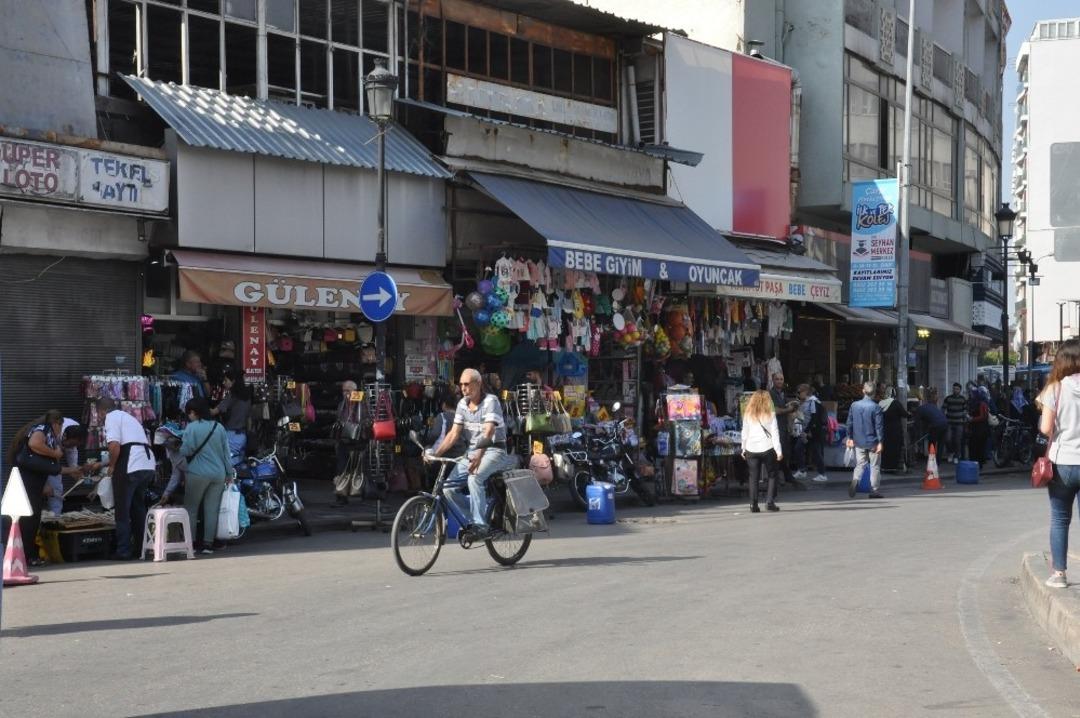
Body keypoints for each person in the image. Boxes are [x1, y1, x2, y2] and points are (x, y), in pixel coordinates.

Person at [427, 368, 515, 539]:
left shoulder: (491, 401)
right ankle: (478, 515)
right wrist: (436, 455)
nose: (463, 388)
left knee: (474, 478)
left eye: (467, 384)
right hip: (473, 451)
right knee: (448, 488)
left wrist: (479, 456)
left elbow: (489, 432)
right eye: (461, 384)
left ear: (478, 384)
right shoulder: (462, 404)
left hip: (494, 450)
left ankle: (480, 525)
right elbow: (453, 434)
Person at [1035, 339, 1080, 589]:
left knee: (1060, 519)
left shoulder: (1055, 389)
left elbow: (1045, 428)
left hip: (1063, 463)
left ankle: (1059, 574)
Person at [97, 398, 156, 560]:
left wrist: (111, 467)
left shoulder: (111, 418)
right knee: (138, 508)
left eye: (99, 414)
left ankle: (123, 550)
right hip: (146, 463)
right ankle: (142, 548)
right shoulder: (128, 417)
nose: (99, 417)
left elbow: (114, 446)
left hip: (131, 464)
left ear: (102, 411)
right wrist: (103, 463)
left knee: (122, 510)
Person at [5, 410, 65, 566]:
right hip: (28, 483)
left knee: (29, 519)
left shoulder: (41, 429)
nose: (60, 431)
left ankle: (24, 555)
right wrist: (55, 453)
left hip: (31, 482)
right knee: (29, 520)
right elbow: (34, 444)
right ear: (56, 423)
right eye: (61, 426)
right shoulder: (43, 429)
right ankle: (26, 556)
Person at [179, 398, 233, 554]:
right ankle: (208, 544)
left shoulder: (191, 428)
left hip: (198, 473)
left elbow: (186, 450)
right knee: (212, 509)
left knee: (191, 509)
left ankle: (191, 544)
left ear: (193, 412)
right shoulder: (219, 427)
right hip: (218, 474)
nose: (189, 416)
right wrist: (229, 473)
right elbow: (226, 453)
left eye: (189, 413)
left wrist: (176, 445)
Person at [741, 390, 783, 512]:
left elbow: (744, 432)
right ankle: (769, 502)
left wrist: (743, 448)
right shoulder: (771, 413)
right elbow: (775, 433)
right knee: (772, 475)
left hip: (751, 448)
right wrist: (779, 451)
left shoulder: (748, 414)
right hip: (768, 447)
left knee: (753, 476)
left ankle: (753, 504)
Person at [44, 421, 97, 515]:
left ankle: (55, 515)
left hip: (57, 450)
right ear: (64, 437)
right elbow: (45, 465)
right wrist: (45, 485)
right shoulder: (50, 435)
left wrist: (82, 476)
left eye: (75, 445)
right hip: (41, 454)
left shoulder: (74, 439)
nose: (72, 447)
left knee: (56, 487)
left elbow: (73, 469)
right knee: (50, 481)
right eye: (71, 444)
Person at [846, 382, 885, 499]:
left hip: (859, 440)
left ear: (863, 391)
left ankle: (856, 479)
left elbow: (849, 423)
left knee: (860, 464)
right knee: (875, 466)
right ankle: (874, 490)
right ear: (874, 393)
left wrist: (849, 437)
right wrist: (880, 442)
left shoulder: (854, 405)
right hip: (873, 441)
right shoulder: (876, 407)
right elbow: (879, 427)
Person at [211, 368, 252, 464]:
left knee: (230, 465)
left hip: (231, 435)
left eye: (226, 380)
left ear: (233, 381)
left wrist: (200, 408)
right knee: (239, 464)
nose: (223, 383)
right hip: (242, 435)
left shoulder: (232, 396)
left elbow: (214, 412)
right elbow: (249, 418)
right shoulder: (247, 396)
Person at [768, 373, 801, 488]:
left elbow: (785, 408)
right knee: (778, 453)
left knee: (785, 453)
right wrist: (789, 409)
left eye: (781, 379)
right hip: (775, 427)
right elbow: (774, 410)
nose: (779, 381)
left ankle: (785, 476)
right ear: (773, 381)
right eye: (777, 379)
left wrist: (792, 408)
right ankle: (780, 478)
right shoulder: (771, 394)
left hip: (784, 427)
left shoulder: (782, 394)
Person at [332, 380, 360, 506]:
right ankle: (341, 496)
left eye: (348, 390)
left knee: (358, 469)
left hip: (357, 441)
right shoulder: (341, 405)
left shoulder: (361, 404)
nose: (345, 393)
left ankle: (360, 492)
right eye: (344, 391)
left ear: (355, 391)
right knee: (341, 469)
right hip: (343, 440)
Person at [795, 383, 828, 483]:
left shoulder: (813, 402)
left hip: (814, 432)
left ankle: (822, 474)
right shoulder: (804, 402)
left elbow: (814, 418)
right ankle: (802, 470)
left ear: (805, 392)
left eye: (799, 392)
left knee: (816, 452)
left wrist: (807, 431)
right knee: (798, 448)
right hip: (806, 431)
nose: (798, 394)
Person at [878, 387, 910, 472]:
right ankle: (893, 466)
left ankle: (885, 466)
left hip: (885, 430)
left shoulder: (880, 403)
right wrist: (911, 414)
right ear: (894, 394)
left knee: (886, 448)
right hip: (895, 430)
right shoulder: (895, 403)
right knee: (895, 448)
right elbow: (904, 414)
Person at [914, 389, 948, 458]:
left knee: (932, 443)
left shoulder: (919, 409)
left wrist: (917, 435)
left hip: (936, 425)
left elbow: (917, 423)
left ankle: (932, 460)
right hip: (945, 423)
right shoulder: (932, 406)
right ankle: (938, 461)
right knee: (940, 444)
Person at [942, 382, 968, 464]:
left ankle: (956, 456)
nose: (955, 390)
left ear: (960, 390)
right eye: (954, 389)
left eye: (957, 389)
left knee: (957, 440)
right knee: (947, 439)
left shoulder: (963, 399)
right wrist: (943, 418)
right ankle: (951, 452)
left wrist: (965, 419)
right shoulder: (948, 398)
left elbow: (965, 410)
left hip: (959, 423)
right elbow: (943, 409)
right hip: (949, 422)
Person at [967, 386, 991, 467]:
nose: (970, 395)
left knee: (978, 446)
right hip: (977, 428)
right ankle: (977, 463)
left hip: (980, 429)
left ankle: (977, 463)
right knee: (977, 446)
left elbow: (983, 416)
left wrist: (972, 419)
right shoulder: (974, 403)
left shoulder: (981, 403)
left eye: (972, 393)